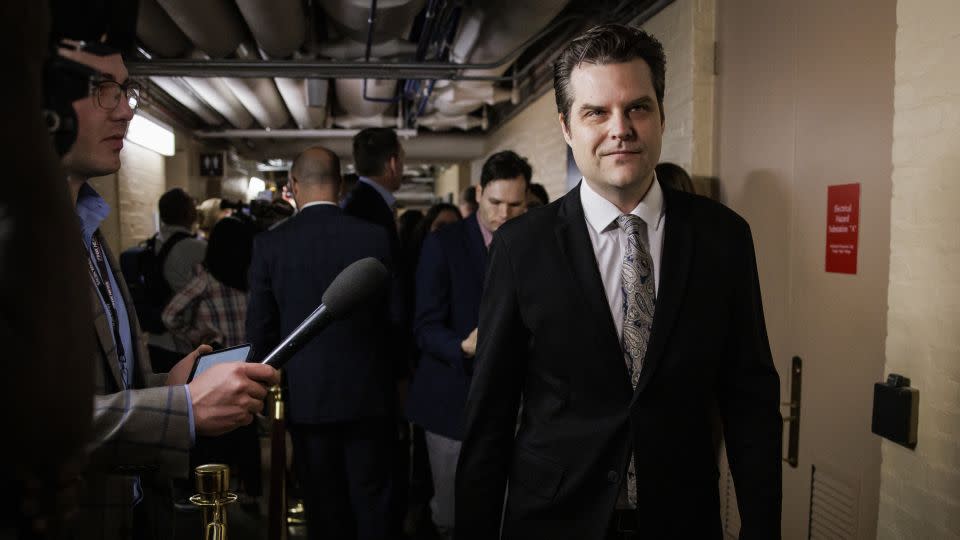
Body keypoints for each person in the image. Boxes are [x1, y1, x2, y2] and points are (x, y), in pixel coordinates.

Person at [455, 24, 782, 540]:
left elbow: (750, 398)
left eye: (637, 107)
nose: (620, 128)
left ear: (661, 115)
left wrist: (762, 528)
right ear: (567, 127)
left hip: (682, 520)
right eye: (596, 112)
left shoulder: (723, 238)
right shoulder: (523, 247)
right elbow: (490, 412)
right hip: (554, 521)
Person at [58, 39, 280, 539]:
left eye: (125, 90)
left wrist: (167, 386)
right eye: (101, 90)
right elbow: (31, 426)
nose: (125, 111)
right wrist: (181, 409)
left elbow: (100, 395)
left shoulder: (91, 230)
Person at [247, 146, 399, 540]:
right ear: (343, 185)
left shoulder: (270, 245)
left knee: (323, 507)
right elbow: (396, 319)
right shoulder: (375, 236)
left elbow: (261, 328)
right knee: (374, 506)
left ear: (292, 186)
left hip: (307, 398)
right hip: (370, 396)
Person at [407, 151, 531, 539]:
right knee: (452, 517)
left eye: (516, 205)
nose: (504, 214)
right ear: (479, 193)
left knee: (512, 516)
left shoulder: (533, 240)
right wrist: (462, 345)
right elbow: (424, 326)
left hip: (518, 404)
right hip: (452, 399)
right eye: (496, 203)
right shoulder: (443, 244)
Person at [162, 216, 256, 350]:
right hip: (240, 356)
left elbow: (169, 317)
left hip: (224, 357)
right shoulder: (246, 278)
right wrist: (199, 337)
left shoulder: (207, 279)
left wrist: (200, 337)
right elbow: (169, 316)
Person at [147, 187, 208, 370]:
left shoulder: (152, 244)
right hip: (185, 344)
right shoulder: (197, 248)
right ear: (188, 212)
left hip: (155, 340)